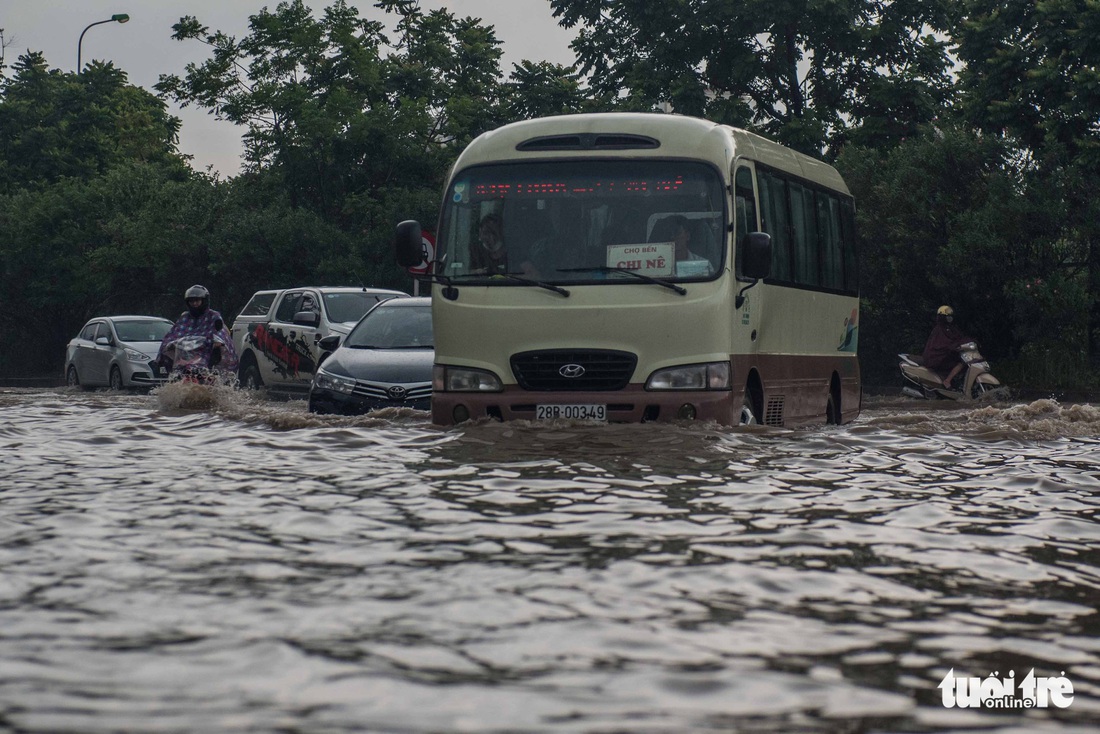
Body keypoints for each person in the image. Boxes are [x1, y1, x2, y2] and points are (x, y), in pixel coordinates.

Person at [157, 285, 239, 376]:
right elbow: (174, 334)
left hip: (208, 354)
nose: (194, 304)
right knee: (176, 374)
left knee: (210, 373)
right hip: (186, 357)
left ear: (204, 301)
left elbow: (219, 332)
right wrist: (169, 344)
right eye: (191, 301)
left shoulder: (213, 315)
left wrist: (215, 341)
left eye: (197, 301)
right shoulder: (184, 317)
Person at [921, 305, 971, 388]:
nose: (949, 318)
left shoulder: (950, 328)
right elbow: (942, 344)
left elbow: (959, 338)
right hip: (937, 358)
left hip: (946, 355)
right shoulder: (939, 329)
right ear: (942, 317)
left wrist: (970, 342)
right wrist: (954, 347)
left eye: (950, 316)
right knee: (962, 362)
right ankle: (947, 380)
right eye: (947, 316)